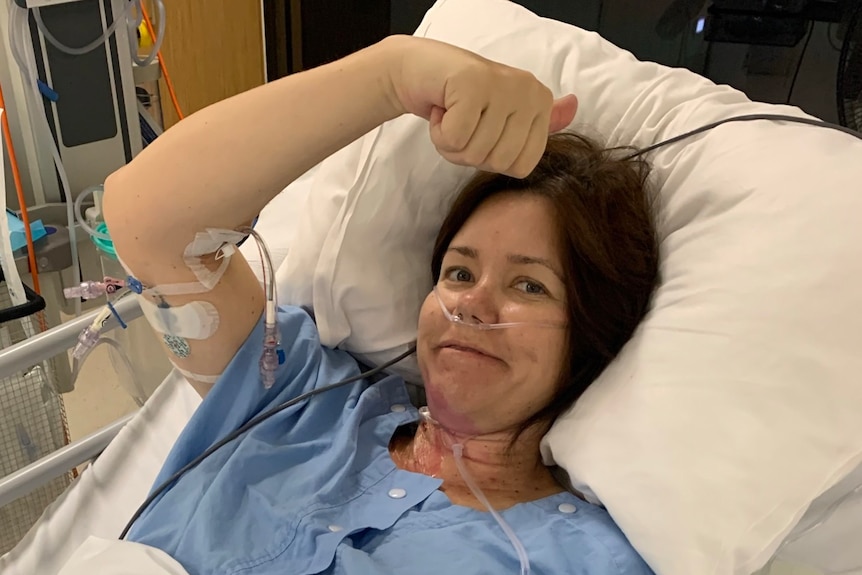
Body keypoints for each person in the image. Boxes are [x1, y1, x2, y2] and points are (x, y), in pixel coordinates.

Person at [104, 34, 658, 575]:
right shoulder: (298, 400)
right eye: (459, 273)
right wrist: (393, 74)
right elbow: (149, 224)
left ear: (591, 332)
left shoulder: (583, 558)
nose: (472, 305)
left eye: (529, 285)